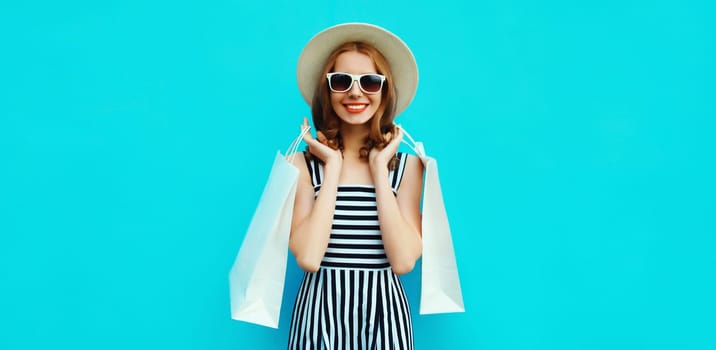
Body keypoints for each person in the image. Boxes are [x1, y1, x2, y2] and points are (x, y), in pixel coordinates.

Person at [288, 23, 423, 350]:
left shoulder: (408, 168)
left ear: (385, 90)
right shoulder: (302, 166)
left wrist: (379, 169)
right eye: (341, 80)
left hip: (384, 322)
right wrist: (332, 166)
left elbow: (403, 262)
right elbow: (308, 257)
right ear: (327, 89)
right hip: (319, 320)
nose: (355, 92)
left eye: (370, 81)